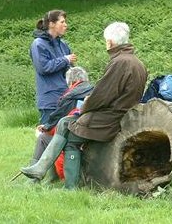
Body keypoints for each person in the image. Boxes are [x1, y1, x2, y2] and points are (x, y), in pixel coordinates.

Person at [19, 22, 148, 189]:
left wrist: (84, 107)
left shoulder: (120, 62)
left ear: (110, 42)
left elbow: (102, 96)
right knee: (65, 122)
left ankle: (68, 186)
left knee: (70, 137)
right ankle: (40, 169)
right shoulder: (136, 63)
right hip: (119, 114)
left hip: (111, 118)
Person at [26, 66, 94, 183]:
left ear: (71, 82)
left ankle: (35, 178)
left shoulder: (70, 96)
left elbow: (58, 122)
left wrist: (44, 128)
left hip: (73, 134)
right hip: (91, 133)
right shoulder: (94, 90)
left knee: (43, 138)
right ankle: (47, 176)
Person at [30, 10, 77, 126]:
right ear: (51, 24)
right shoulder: (38, 44)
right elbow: (43, 67)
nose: (66, 25)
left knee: (64, 136)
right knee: (47, 137)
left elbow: (69, 71)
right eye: (62, 22)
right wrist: (65, 59)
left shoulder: (63, 45)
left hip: (66, 98)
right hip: (49, 100)